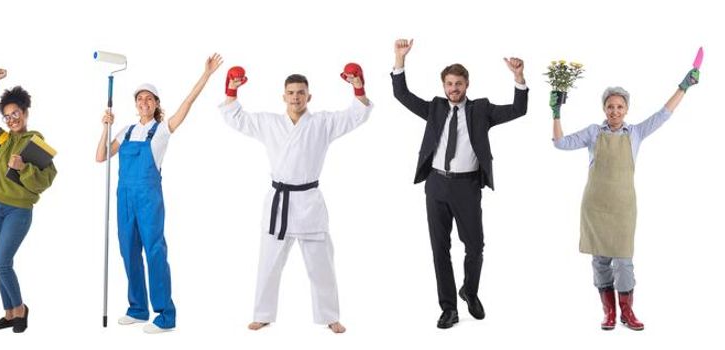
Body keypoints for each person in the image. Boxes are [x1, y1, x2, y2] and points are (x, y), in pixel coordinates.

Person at [221, 63, 372, 334]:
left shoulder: (322, 123)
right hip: (279, 202)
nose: (295, 97)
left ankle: (330, 316)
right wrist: (231, 89)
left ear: (308, 96)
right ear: (283, 96)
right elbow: (237, 118)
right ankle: (262, 314)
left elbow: (356, 115)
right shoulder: (269, 123)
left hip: (309, 202)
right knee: (268, 264)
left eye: (300, 92)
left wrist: (357, 86)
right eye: (291, 92)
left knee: (321, 265)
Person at [389, 39, 530, 329]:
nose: (454, 88)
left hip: (467, 187)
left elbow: (519, 109)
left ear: (467, 85)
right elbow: (402, 94)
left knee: (475, 246)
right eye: (449, 84)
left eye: (459, 84)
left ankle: (470, 291)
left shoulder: (481, 110)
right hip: (436, 186)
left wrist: (518, 78)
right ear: (444, 86)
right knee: (439, 248)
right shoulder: (435, 109)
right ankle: (448, 308)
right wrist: (399, 59)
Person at [551, 65, 699, 332]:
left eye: (620, 107)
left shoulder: (636, 133)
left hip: (623, 208)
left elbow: (664, 114)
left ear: (626, 109)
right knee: (600, 260)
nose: (615, 111)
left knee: (624, 260)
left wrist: (684, 87)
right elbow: (560, 143)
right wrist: (556, 112)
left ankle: (627, 311)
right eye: (610, 106)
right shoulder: (593, 132)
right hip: (594, 206)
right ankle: (609, 312)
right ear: (604, 109)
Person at [93, 54, 223, 334]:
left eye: (149, 99)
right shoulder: (126, 130)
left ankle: (165, 314)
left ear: (156, 104)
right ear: (135, 104)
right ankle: (137, 308)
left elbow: (187, 103)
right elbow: (101, 156)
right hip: (124, 198)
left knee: (154, 251)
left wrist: (207, 75)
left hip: (149, 199)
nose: (144, 102)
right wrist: (105, 127)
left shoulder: (161, 130)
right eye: (140, 99)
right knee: (128, 251)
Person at [0, 68, 58, 334]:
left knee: (2, 263)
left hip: (18, 211)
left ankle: (20, 309)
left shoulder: (35, 141)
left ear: (25, 113)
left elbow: (46, 179)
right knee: (0, 263)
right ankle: (9, 313)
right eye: (7, 116)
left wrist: (23, 167)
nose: (12, 119)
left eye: (16, 114)